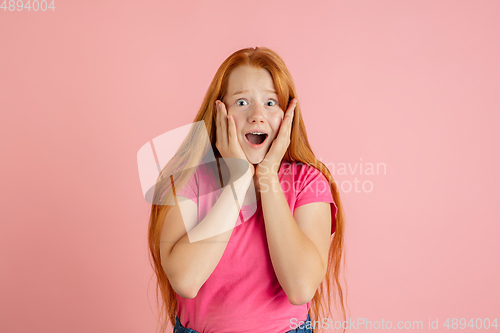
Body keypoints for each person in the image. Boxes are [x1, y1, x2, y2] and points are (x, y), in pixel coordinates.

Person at [147, 47, 347, 333]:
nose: (256, 115)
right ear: (219, 112)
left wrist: (267, 176)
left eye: (270, 102)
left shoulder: (308, 182)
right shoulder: (187, 179)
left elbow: (301, 288)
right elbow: (186, 281)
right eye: (241, 102)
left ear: (289, 114)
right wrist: (238, 182)